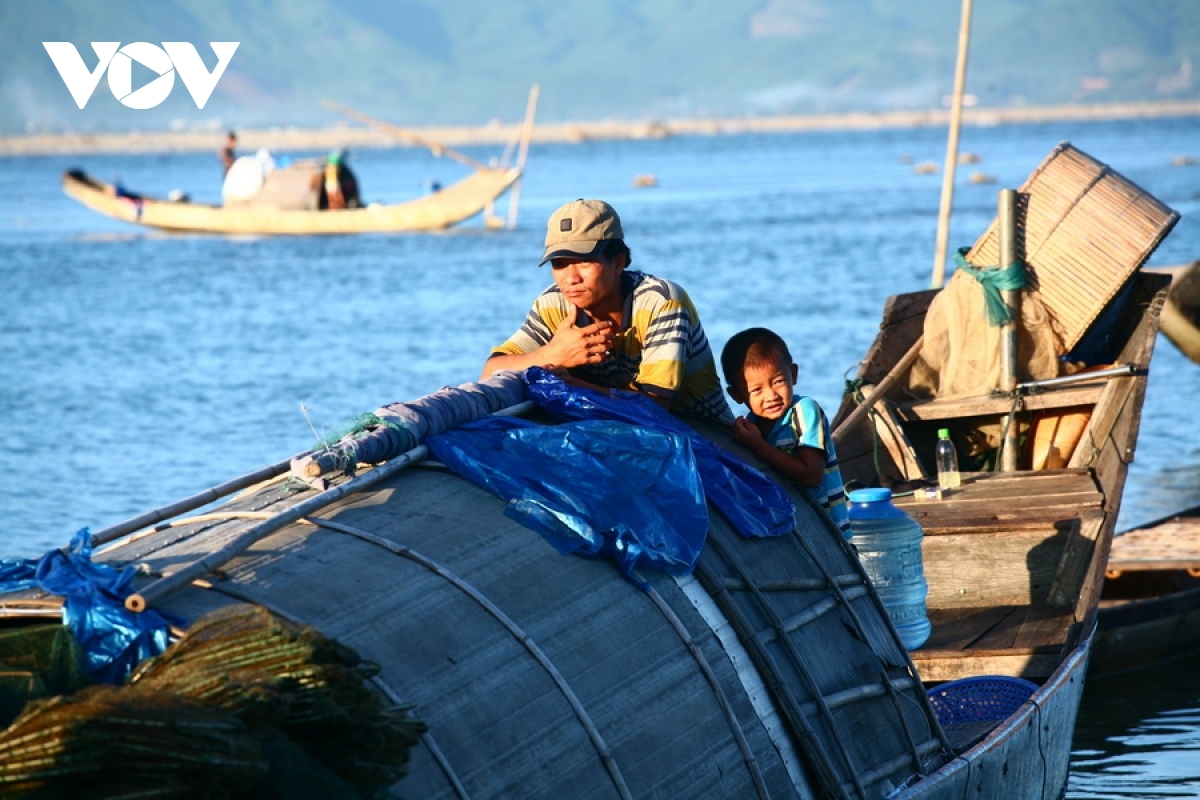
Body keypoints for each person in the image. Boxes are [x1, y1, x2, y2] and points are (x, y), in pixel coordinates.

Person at [483, 198, 733, 426]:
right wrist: (553, 353)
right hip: (614, 429)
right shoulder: (555, 304)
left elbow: (656, 408)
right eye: (559, 264)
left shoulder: (660, 301)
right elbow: (491, 371)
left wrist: (572, 384)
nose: (571, 278)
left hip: (700, 430)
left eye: (583, 261)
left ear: (619, 261)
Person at [720, 327, 850, 537]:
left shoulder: (804, 411)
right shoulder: (752, 427)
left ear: (794, 374)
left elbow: (812, 475)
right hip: (797, 535)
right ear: (736, 395)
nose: (771, 395)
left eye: (778, 381)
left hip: (831, 538)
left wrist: (758, 446)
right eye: (757, 390)